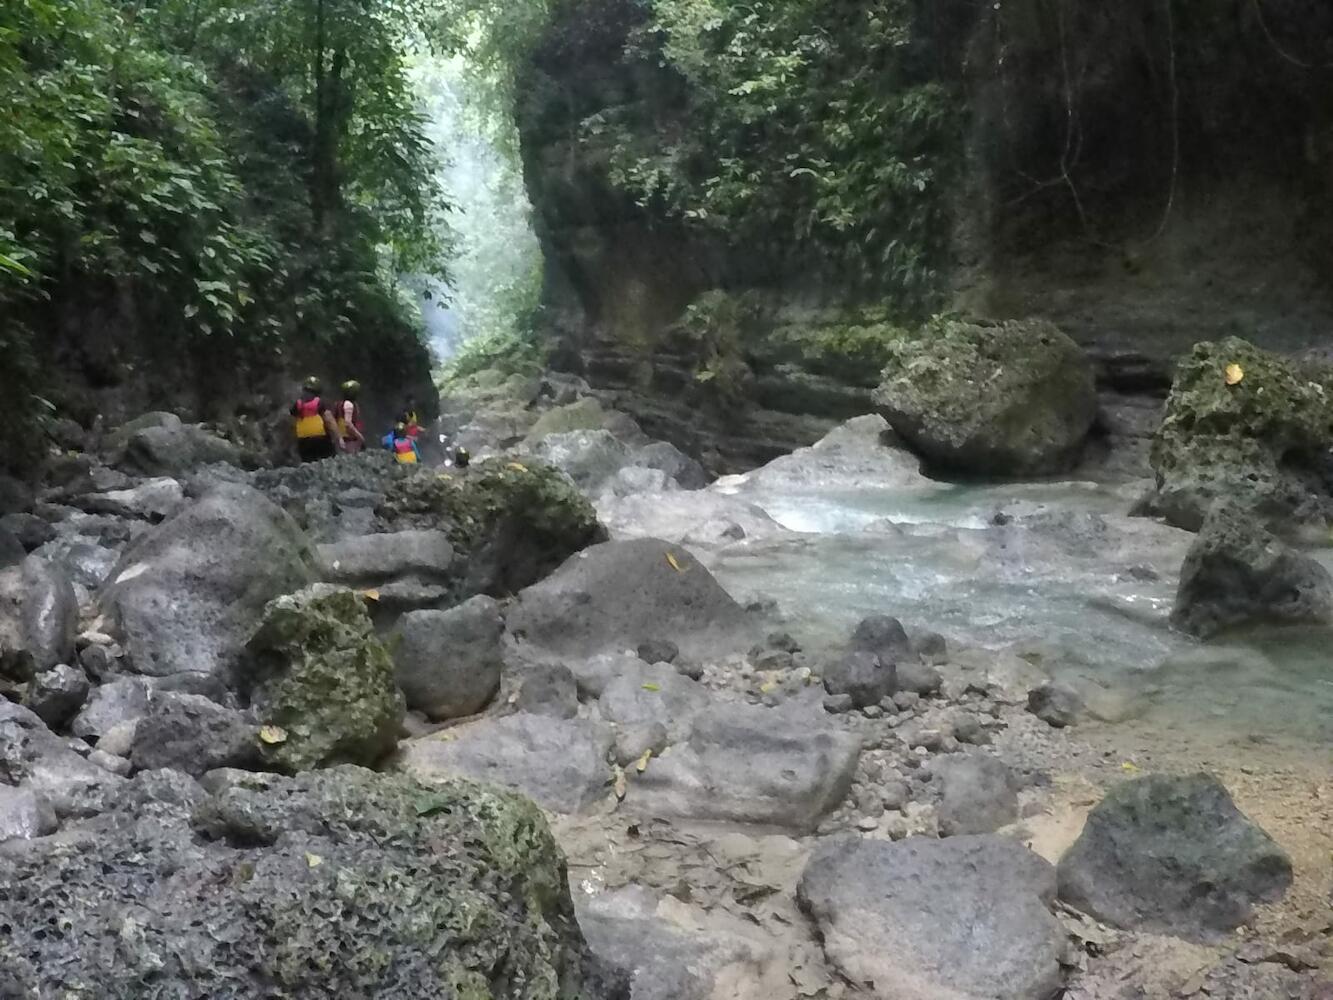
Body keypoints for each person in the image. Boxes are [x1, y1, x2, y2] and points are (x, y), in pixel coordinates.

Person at [290, 376, 341, 462]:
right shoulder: (319, 403)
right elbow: (329, 421)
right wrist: (339, 437)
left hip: (303, 441)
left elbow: (293, 422)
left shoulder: (297, 405)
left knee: (308, 464)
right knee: (330, 460)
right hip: (320, 439)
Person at [336, 380, 366, 454]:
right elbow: (348, 424)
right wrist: (360, 437)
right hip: (349, 439)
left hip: (345, 437)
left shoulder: (342, 403)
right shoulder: (348, 404)